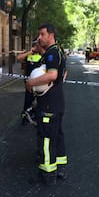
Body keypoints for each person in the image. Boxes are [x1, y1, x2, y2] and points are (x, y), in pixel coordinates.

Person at [25, 23, 67, 186]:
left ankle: (47, 174)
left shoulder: (51, 53)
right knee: (57, 135)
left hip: (49, 104)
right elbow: (62, 74)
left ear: (51, 35)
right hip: (56, 102)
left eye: (42, 34)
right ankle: (60, 167)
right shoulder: (58, 52)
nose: (39, 38)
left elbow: (52, 75)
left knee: (46, 138)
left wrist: (31, 82)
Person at [17, 39, 43, 126]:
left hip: (38, 82)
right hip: (29, 82)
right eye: (34, 46)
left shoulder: (41, 57)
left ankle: (36, 115)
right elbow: (19, 58)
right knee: (28, 100)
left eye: (36, 46)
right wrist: (29, 52)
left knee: (39, 100)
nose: (35, 48)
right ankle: (25, 117)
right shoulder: (29, 55)